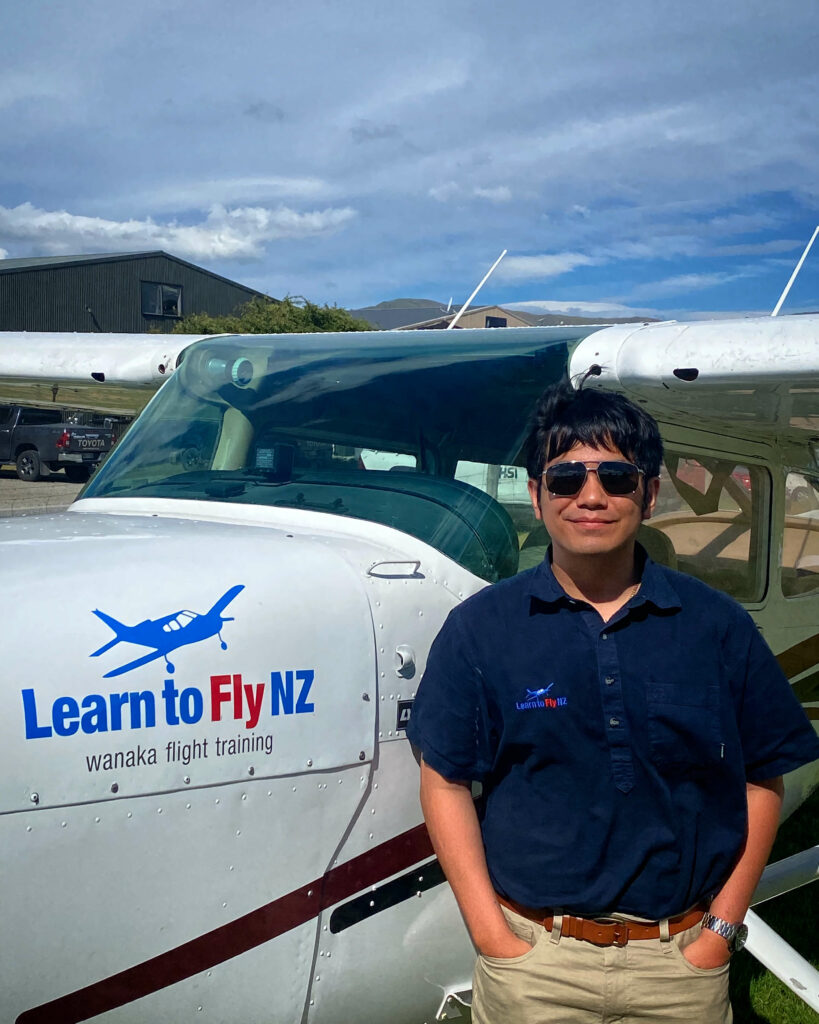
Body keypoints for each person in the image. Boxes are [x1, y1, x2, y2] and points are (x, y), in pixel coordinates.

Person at [407, 380, 819, 1023]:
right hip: (534, 962)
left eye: (617, 478)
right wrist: (493, 936)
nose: (591, 496)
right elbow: (444, 780)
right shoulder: (480, 629)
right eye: (566, 478)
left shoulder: (716, 625)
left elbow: (763, 776)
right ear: (537, 495)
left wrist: (719, 933)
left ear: (649, 495)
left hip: (679, 961)